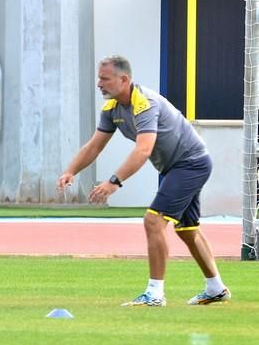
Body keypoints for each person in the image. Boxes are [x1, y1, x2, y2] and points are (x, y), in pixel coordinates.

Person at [56, 55, 231, 307]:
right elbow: (95, 145)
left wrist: (114, 182)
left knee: (153, 221)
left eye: (104, 79)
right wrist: (70, 170)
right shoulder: (112, 108)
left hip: (191, 164)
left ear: (124, 79)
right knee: (187, 230)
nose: (99, 84)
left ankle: (155, 294)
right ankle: (216, 288)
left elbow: (143, 150)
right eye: (99, 78)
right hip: (176, 168)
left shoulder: (145, 103)